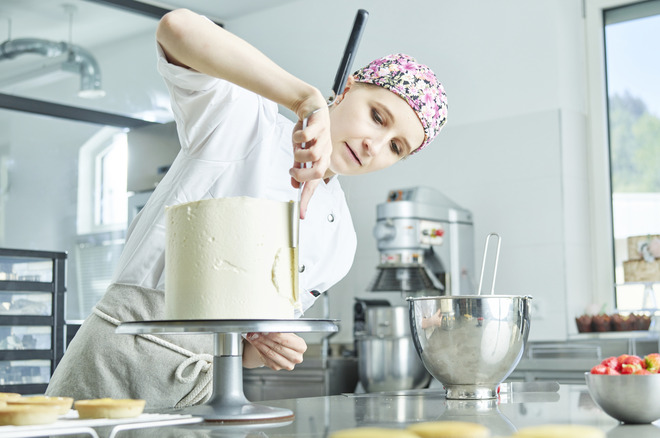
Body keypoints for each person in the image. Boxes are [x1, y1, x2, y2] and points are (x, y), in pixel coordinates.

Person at [46, 8, 448, 408]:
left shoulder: (340, 241)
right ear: (346, 89)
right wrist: (305, 100)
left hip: (199, 396)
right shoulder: (242, 126)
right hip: (109, 369)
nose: (373, 146)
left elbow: (249, 348)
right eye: (377, 117)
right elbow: (177, 28)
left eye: (396, 147)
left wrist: (270, 346)